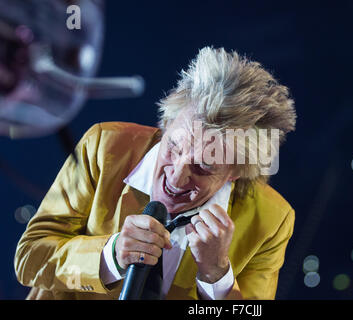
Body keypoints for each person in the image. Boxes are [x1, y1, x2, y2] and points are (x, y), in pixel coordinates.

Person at [14, 47, 297, 300]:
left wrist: (217, 276)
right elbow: (29, 260)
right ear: (166, 124)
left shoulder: (272, 220)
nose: (175, 179)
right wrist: (110, 256)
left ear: (236, 172)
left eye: (203, 167)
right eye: (173, 147)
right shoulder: (103, 146)